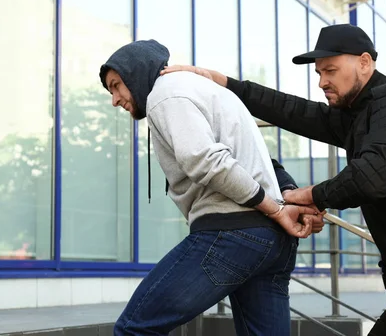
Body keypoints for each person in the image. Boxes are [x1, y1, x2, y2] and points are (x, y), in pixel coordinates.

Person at [161, 24, 386, 336]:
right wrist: (226, 84)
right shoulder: (359, 115)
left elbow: (370, 178)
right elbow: (295, 111)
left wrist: (309, 196)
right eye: (319, 72)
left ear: (365, 63)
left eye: (330, 70)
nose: (322, 81)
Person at [99, 39, 324, 336]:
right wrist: (285, 200)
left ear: (137, 74)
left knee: (134, 329)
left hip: (232, 234)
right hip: (273, 243)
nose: (115, 99)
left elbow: (205, 160)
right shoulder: (210, 92)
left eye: (116, 86)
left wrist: (275, 208)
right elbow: (264, 161)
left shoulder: (164, 94)